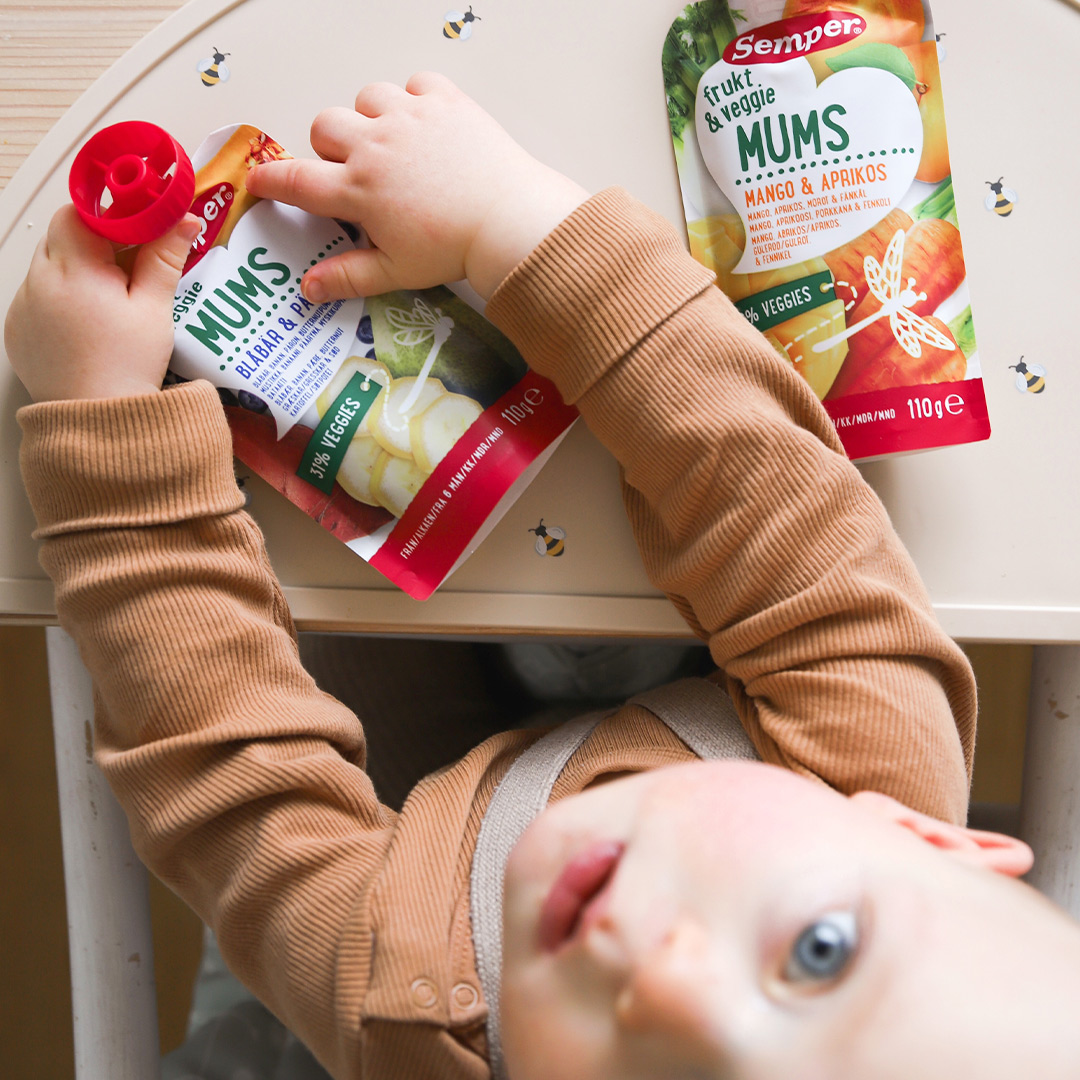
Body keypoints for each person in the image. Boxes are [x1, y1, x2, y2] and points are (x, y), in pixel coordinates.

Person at [7, 71, 1079, 1080]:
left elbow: (226, 765)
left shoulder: (411, 1018)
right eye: (819, 952)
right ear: (930, 841)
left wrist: (104, 422)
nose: (665, 988)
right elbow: (753, 476)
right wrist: (512, 225)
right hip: (711, 705)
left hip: (408, 801)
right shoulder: (876, 771)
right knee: (684, 554)